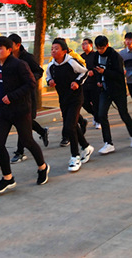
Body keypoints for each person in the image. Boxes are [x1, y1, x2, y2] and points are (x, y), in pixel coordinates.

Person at [0, 36, 50, 194]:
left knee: (27, 141)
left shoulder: (19, 64)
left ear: (9, 50)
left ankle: (42, 167)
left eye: (1, 48)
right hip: (3, 111)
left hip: (20, 110)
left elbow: (31, 84)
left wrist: (12, 96)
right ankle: (8, 178)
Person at [47, 38, 94, 172]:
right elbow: (48, 76)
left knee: (69, 126)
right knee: (71, 124)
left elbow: (84, 72)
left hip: (76, 98)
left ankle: (75, 156)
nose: (53, 51)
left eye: (56, 49)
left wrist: (77, 83)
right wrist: (50, 81)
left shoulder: (71, 62)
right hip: (63, 99)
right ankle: (86, 147)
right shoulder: (52, 65)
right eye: (52, 49)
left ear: (64, 51)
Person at [93, 35, 132, 154]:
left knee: (123, 113)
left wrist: (105, 72)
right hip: (104, 90)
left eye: (102, 48)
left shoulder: (115, 56)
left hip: (117, 90)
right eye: (98, 48)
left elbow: (119, 75)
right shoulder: (96, 56)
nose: (100, 51)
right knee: (101, 114)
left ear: (107, 45)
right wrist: (98, 80)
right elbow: (95, 70)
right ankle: (108, 143)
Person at [7, 34, 50, 159]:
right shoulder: (8, 58)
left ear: (17, 45)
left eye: (10, 45)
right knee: (24, 122)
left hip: (27, 95)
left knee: (23, 123)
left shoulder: (27, 58)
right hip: (15, 96)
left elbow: (39, 71)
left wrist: (30, 80)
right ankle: (42, 131)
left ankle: (20, 152)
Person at [81, 38, 101, 129]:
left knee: (96, 102)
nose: (83, 46)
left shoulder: (96, 55)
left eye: (85, 44)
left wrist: (93, 71)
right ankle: (95, 115)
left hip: (94, 83)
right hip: (85, 84)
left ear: (91, 45)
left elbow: (99, 67)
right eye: (82, 44)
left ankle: (98, 120)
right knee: (84, 102)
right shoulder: (81, 57)